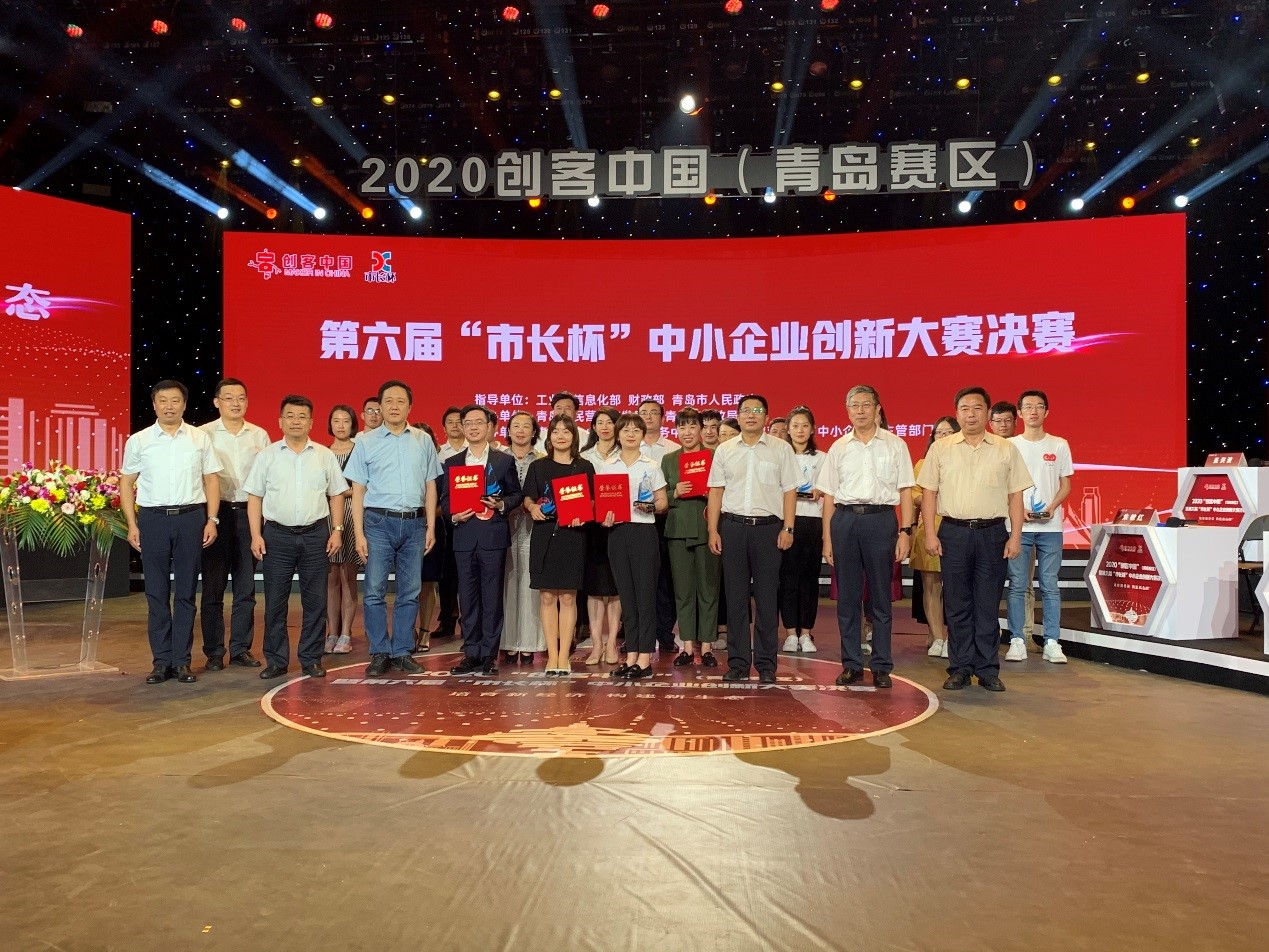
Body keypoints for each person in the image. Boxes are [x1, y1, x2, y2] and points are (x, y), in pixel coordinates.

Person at [918, 386, 1032, 693]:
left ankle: (987, 668)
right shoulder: (941, 449)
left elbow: (1016, 496)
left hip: (992, 533)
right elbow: (928, 493)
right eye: (965, 409)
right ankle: (960, 668)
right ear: (957, 413)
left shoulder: (1005, 449)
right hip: (953, 533)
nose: (971, 414)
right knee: (957, 604)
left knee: (987, 603)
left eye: (977, 408)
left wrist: (1016, 536)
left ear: (988, 413)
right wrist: (930, 534)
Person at [119, 380, 223, 685]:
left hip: (191, 518)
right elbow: (126, 482)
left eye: (175, 400)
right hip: (153, 519)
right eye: (162, 400)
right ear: (154, 405)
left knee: (186, 592)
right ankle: (161, 662)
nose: (169, 406)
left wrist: (212, 520)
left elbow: (211, 480)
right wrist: (132, 524)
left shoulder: (199, 438)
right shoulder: (139, 440)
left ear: (184, 404)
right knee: (156, 593)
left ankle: (182, 662)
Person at [817, 386, 915, 689]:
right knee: (847, 598)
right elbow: (829, 497)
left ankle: (882, 665)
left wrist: (905, 531)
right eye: (854, 406)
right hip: (845, 521)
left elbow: (905, 491)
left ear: (877, 408)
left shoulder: (895, 445)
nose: (860, 411)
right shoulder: (839, 447)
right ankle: (851, 664)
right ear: (847, 411)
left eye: (865, 405)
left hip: (881, 520)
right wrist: (827, 539)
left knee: (881, 597)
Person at [245, 396, 348, 680]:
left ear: (311, 423)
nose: (296, 421)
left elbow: (336, 494)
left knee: (315, 602)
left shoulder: (323, 455)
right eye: (290, 416)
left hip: (316, 535)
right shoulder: (267, 456)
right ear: (280, 421)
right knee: (275, 602)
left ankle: (311, 658)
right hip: (276, 536)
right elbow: (254, 497)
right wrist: (256, 535)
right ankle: (276, 660)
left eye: (302, 417)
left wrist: (337, 530)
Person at [344, 380, 441, 677]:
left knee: (409, 591)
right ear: (380, 407)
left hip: (415, 524)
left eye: (401, 401)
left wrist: (431, 526)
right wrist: (358, 533)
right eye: (389, 401)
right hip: (378, 523)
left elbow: (430, 485)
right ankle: (379, 652)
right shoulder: (365, 442)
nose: (395, 406)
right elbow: (358, 490)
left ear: (410, 407)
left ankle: (401, 651)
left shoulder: (423, 440)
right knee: (374, 590)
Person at [707, 394, 799, 684]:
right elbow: (716, 491)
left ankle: (766, 664)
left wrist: (788, 528)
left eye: (757, 410)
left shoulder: (781, 449)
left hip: (769, 530)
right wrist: (713, 530)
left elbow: (789, 491)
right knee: (735, 599)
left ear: (766, 417)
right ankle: (737, 663)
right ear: (738, 416)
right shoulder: (725, 450)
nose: (751, 415)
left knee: (767, 599)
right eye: (745, 410)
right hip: (733, 528)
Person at [441, 404, 524, 677]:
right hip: (464, 536)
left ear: (490, 427)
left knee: (491, 597)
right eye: (468, 423)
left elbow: (516, 495)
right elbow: (446, 500)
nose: (473, 427)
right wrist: (454, 515)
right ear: (462, 427)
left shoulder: (502, 461)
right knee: (467, 598)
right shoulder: (452, 463)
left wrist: (501, 504)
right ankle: (471, 653)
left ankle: (488, 654)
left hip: (492, 537)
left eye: (479, 422)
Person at [198, 377, 269, 671]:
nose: (235, 403)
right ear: (217, 402)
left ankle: (240, 649)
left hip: (249, 514)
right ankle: (214, 651)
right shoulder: (203, 434)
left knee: (245, 587)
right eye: (229, 398)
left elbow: (266, 478)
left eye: (241, 398)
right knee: (213, 587)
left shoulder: (259, 435)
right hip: (216, 514)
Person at [598, 413, 668, 680]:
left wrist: (651, 507)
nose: (630, 434)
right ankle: (630, 657)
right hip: (617, 533)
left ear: (642, 435)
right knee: (626, 597)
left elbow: (662, 502)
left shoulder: (651, 465)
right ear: (618, 434)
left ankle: (645, 658)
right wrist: (604, 518)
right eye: (625, 430)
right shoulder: (607, 466)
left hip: (643, 533)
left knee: (645, 595)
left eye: (636, 430)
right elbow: (602, 503)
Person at [1005, 390, 1074, 664]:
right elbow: (1003, 484)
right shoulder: (1009, 445)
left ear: (1047, 412)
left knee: (1049, 585)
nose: (1034, 411)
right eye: (1028, 407)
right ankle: (1017, 640)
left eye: (1039, 406)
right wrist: (1018, 510)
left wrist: (1052, 506)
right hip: (1017, 526)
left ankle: (1052, 642)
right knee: (1017, 584)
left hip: (1051, 526)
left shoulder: (1059, 445)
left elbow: (1066, 484)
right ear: (1019, 413)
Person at [524, 415, 595, 676]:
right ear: (549, 436)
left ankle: (564, 656)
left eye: (566, 431)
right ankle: (551, 655)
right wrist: (532, 507)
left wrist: (584, 514)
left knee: (567, 596)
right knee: (546, 596)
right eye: (556, 431)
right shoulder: (538, 466)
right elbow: (528, 498)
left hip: (572, 536)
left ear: (574, 436)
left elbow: (592, 501)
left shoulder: (584, 466)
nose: (561, 436)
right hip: (545, 534)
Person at [661, 408, 722, 668]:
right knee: (683, 591)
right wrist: (675, 492)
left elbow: (726, 490)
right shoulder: (668, 459)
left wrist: (713, 494)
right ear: (676, 431)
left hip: (708, 528)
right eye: (682, 427)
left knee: (708, 589)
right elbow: (660, 498)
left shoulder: (715, 456)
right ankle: (687, 646)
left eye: (692, 427)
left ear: (702, 430)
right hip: (678, 531)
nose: (687, 433)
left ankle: (706, 646)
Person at [910, 416, 959, 659]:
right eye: (939, 433)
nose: (943, 436)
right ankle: (938, 637)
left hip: (958, 529)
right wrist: (930, 498)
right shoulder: (922, 464)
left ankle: (954, 637)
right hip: (929, 529)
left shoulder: (964, 462)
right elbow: (914, 495)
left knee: (957, 588)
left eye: (949, 432)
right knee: (931, 586)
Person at [779, 406, 826, 655]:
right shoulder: (780, 456)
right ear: (788, 429)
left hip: (813, 521)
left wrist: (821, 490)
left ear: (813, 429)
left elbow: (831, 490)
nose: (800, 430)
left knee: (809, 579)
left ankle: (806, 633)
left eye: (805, 425)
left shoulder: (822, 458)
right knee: (787, 578)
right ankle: (789, 633)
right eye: (795, 425)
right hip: (786, 522)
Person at [502, 411, 545, 665]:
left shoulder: (542, 460)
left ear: (534, 432)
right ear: (508, 431)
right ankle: (508, 642)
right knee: (506, 583)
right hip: (503, 527)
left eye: (526, 426)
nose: (520, 431)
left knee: (530, 584)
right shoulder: (497, 457)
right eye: (515, 426)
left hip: (533, 527)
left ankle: (529, 644)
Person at [581, 407, 623, 665]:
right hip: (592, 527)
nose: (605, 427)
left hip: (619, 525)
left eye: (610, 422)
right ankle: (596, 643)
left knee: (615, 589)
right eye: (600, 422)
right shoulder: (584, 456)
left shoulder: (626, 453)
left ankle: (612, 643)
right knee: (595, 589)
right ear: (593, 427)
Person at [324, 404, 360, 655]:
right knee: (330, 579)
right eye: (336, 420)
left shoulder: (360, 451)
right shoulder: (322, 453)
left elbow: (363, 487)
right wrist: (341, 491)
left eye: (345, 421)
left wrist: (339, 492)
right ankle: (332, 633)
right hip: (327, 516)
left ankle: (346, 633)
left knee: (348, 578)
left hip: (353, 516)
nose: (340, 425)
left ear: (353, 424)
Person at [433, 405, 466, 642]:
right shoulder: (438, 455)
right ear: (443, 427)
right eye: (450, 422)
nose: (455, 426)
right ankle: (446, 620)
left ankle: (468, 622)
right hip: (443, 521)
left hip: (469, 520)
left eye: (459, 421)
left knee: (467, 575)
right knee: (446, 575)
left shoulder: (473, 453)